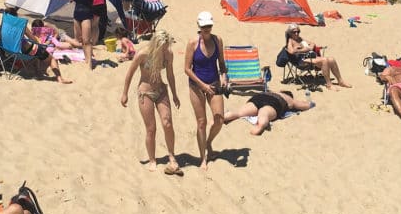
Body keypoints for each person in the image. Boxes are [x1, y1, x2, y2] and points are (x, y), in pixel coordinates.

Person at [120, 30, 182, 175]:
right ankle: (152, 159)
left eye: (167, 46)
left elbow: (170, 74)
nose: (166, 49)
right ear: (155, 44)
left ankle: (172, 156)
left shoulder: (168, 54)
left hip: (161, 90)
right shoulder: (142, 54)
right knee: (151, 128)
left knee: (167, 123)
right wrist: (124, 93)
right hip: (145, 92)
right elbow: (130, 73)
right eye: (163, 46)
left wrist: (174, 94)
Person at [183, 11, 227, 169]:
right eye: (204, 26)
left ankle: (208, 143)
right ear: (199, 27)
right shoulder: (192, 43)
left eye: (209, 25)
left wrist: (224, 77)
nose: (207, 28)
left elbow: (221, 63)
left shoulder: (218, 40)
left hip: (214, 83)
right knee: (201, 122)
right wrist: (202, 86)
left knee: (219, 119)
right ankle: (203, 158)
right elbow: (187, 69)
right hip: (197, 86)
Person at [2, 7, 72, 83]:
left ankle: (37, 70)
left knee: (36, 50)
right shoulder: (21, 25)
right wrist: (40, 42)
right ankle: (59, 78)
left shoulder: (4, 23)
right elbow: (33, 39)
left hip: (6, 48)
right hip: (22, 51)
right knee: (51, 58)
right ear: (16, 16)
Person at [281, 24, 351, 88]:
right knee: (324, 60)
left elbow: (312, 43)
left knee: (331, 59)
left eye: (298, 32)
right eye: (294, 32)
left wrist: (309, 48)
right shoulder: (290, 41)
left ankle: (340, 81)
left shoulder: (300, 39)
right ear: (290, 33)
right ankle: (329, 84)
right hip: (301, 61)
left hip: (310, 57)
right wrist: (304, 49)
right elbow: (291, 51)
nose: (296, 33)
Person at [224, 90, 314, 136]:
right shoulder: (289, 99)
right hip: (275, 102)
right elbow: (304, 106)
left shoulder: (273, 91)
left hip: (259, 97)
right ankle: (260, 126)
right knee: (264, 113)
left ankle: (223, 117)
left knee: (239, 112)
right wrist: (311, 104)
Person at [61, 0, 97, 69]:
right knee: (79, 41)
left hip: (86, 15)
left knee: (87, 40)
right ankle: (87, 58)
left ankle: (89, 62)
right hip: (77, 15)